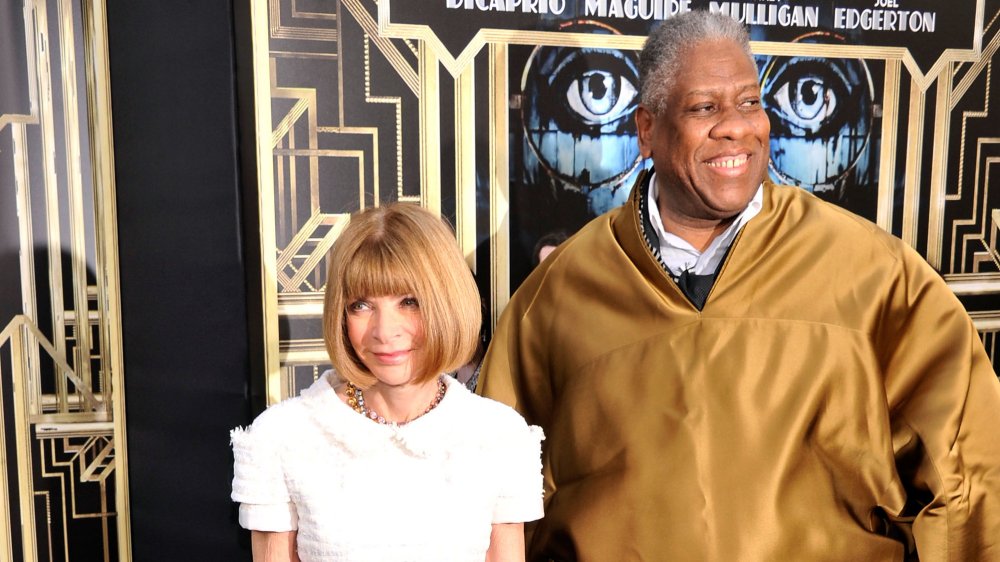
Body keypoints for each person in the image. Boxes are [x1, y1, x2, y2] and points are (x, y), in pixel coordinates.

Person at [478, 11, 1000, 561]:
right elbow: (495, 498)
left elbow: (967, 464)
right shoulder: (557, 296)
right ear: (647, 129)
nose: (736, 126)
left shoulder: (873, 273)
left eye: (750, 103)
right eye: (705, 108)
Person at [232, 203, 544, 561]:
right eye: (361, 305)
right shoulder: (282, 437)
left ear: (447, 303)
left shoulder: (500, 435)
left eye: (409, 302)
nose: (384, 331)